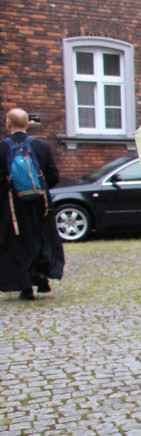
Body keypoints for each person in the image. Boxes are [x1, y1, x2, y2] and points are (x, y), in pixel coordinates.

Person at [0, 108, 63, 300]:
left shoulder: (1, 147)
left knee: (16, 242)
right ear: (28, 124)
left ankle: (24, 286)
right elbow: (53, 177)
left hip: (11, 205)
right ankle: (42, 277)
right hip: (40, 204)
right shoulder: (42, 147)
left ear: (7, 124)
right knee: (41, 238)